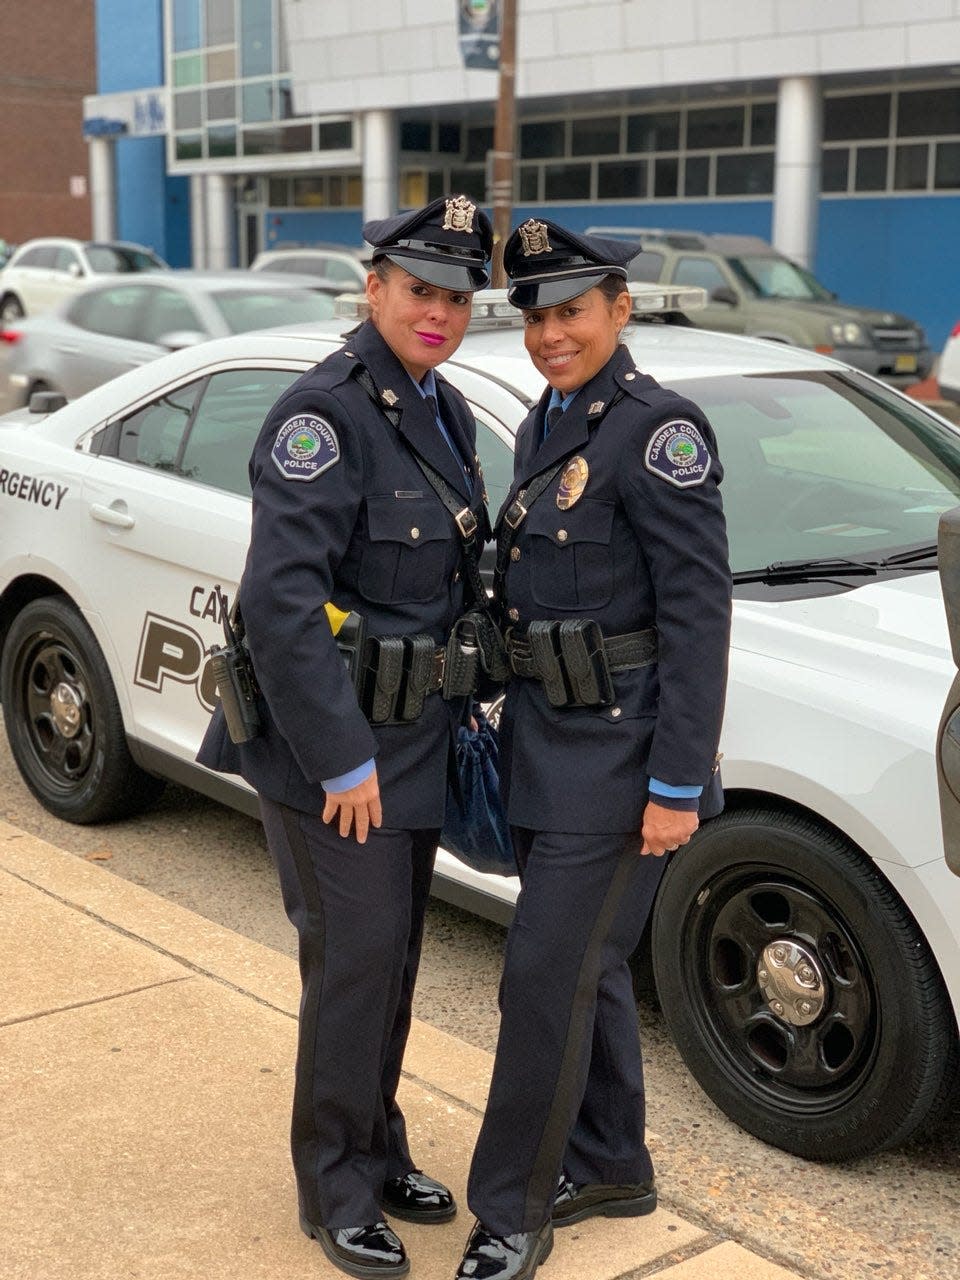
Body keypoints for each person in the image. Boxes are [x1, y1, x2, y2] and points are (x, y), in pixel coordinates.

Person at [198, 195, 493, 1280]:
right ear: (374, 287)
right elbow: (279, 604)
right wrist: (344, 759)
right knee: (353, 963)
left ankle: (378, 1144)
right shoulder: (322, 414)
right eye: (420, 289)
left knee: (395, 961)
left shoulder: (444, 410)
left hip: (412, 741)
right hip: (334, 757)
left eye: (457, 296)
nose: (439, 312)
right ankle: (334, 1189)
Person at [453, 221, 732, 1280]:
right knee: (587, 969)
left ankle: (513, 1207)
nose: (549, 332)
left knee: (541, 978)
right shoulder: (549, 421)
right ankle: (612, 1157)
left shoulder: (658, 431)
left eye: (570, 310)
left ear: (620, 309)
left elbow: (699, 617)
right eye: (534, 313)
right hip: (544, 747)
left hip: (620, 769)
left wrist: (673, 784)